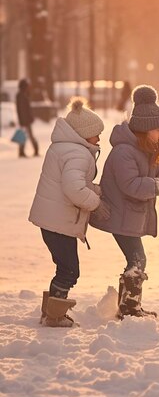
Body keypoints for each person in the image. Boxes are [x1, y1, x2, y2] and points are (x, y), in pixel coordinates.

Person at [90, 85, 159, 319]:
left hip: (129, 216)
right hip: (119, 215)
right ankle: (129, 309)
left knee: (136, 258)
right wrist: (158, 186)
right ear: (145, 129)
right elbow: (131, 185)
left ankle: (128, 306)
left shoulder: (143, 149)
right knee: (137, 258)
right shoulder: (124, 153)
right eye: (158, 129)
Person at [29, 98, 110, 328]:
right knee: (69, 269)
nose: (98, 139)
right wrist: (95, 203)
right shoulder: (78, 153)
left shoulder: (65, 148)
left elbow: (73, 182)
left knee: (64, 266)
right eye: (96, 134)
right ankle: (54, 316)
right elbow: (74, 188)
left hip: (53, 220)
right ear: (84, 134)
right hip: (58, 222)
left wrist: (95, 190)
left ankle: (50, 310)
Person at [15, 78, 39, 157]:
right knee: (27, 135)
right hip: (25, 120)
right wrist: (24, 119)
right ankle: (33, 150)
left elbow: (26, 109)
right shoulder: (21, 95)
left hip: (25, 119)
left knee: (24, 135)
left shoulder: (23, 95)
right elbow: (22, 109)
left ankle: (23, 151)